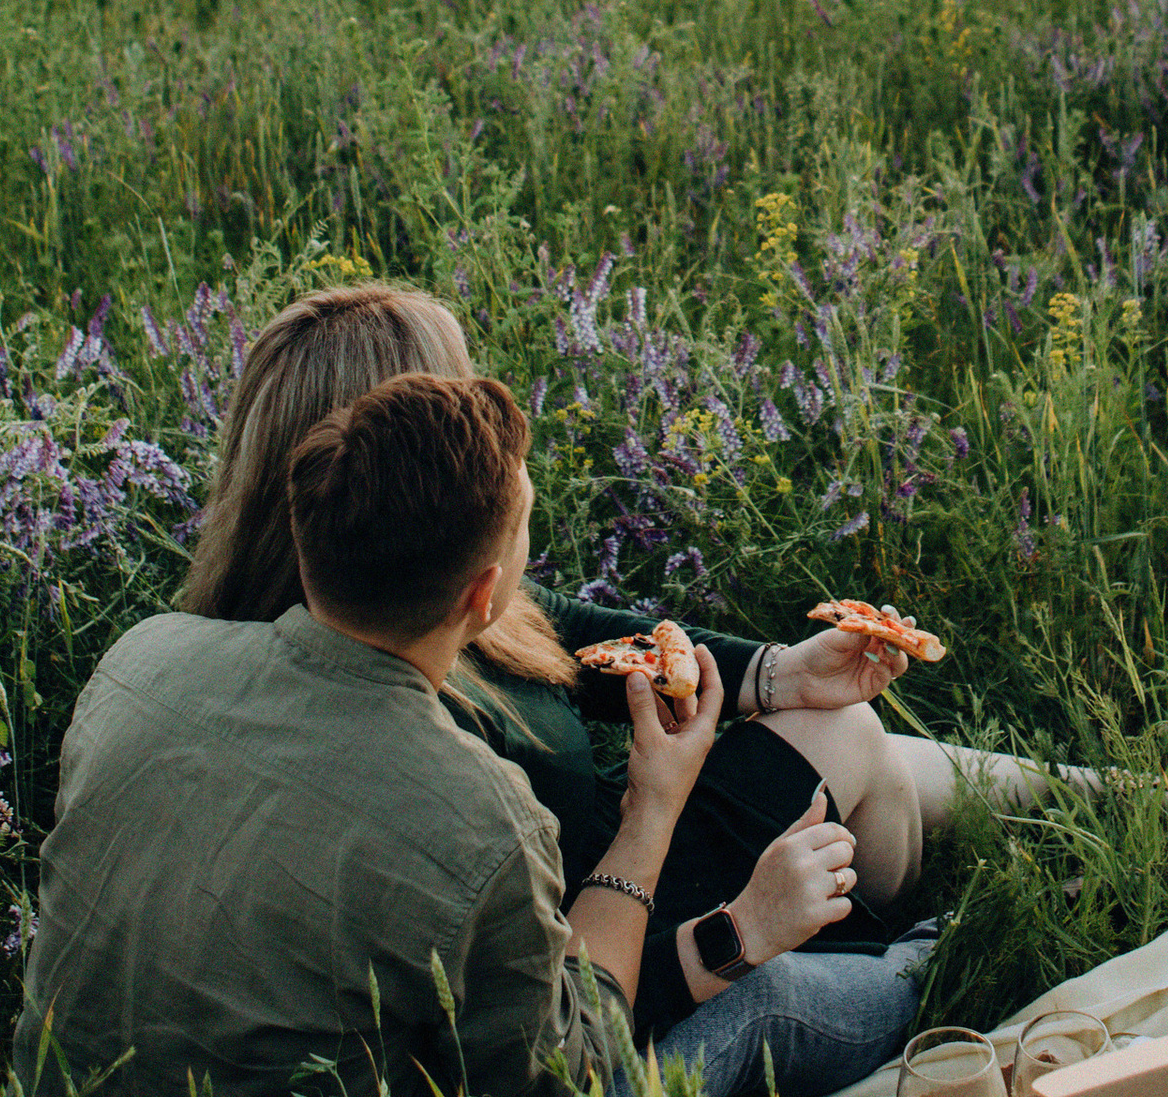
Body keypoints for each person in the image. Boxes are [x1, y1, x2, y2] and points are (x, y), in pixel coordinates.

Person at [15, 368, 928, 1097]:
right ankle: (941, 967)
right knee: (769, 997)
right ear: (486, 594)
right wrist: (654, 807)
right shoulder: (474, 811)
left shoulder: (142, 661)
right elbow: (567, 1084)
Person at [180, 282, 1077, 1036]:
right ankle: (921, 933)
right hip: (608, 911)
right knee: (852, 741)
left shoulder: (385, 593)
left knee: (848, 728)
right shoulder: (401, 732)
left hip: (619, 846)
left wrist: (775, 671)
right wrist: (718, 900)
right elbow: (546, 1015)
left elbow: (547, 623)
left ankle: (1110, 804)